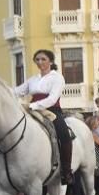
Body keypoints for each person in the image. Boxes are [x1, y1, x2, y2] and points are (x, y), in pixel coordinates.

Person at [14, 49, 72, 184]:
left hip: (51, 110)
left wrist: (32, 106)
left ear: (50, 61)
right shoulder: (33, 79)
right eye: (37, 59)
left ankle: (66, 171)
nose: (40, 62)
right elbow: (17, 91)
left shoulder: (57, 77)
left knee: (64, 134)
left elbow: (52, 99)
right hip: (32, 110)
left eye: (43, 59)